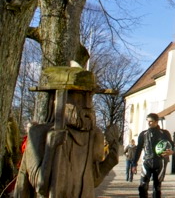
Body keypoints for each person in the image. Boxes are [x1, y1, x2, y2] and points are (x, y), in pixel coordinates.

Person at [13, 66, 119, 198]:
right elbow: (41, 186)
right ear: (57, 100)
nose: (87, 105)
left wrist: (113, 153)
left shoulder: (93, 135)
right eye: (79, 97)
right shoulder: (39, 133)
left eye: (90, 98)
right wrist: (50, 150)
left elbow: (93, 181)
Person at [133, 113, 174, 198]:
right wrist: (134, 163)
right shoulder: (143, 134)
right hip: (147, 161)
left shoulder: (164, 133)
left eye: (151, 121)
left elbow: (173, 145)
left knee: (157, 187)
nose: (149, 123)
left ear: (156, 122)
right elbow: (138, 149)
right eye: (148, 121)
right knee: (143, 186)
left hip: (160, 162)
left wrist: (172, 151)